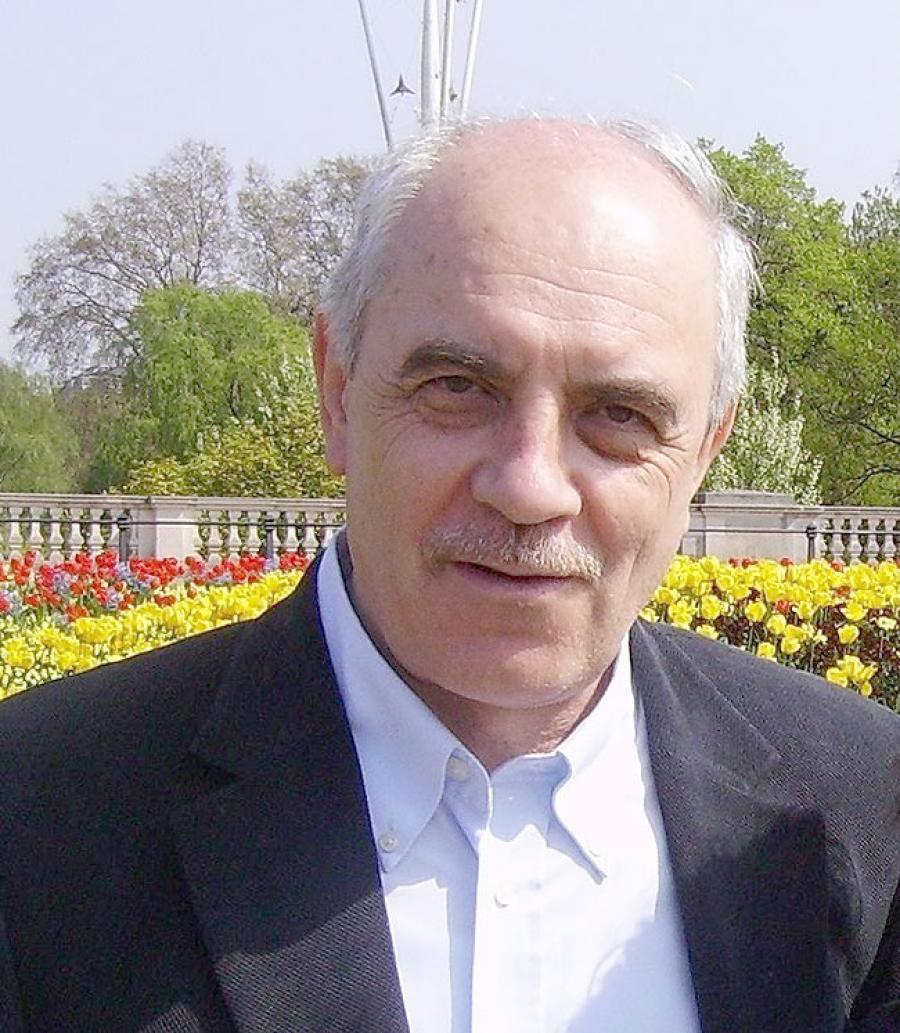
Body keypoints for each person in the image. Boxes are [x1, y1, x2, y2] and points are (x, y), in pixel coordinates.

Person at [0, 118, 897, 1033]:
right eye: (459, 388)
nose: (530, 487)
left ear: (706, 446)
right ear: (337, 390)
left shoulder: (868, 813)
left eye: (619, 414)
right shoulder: (33, 819)